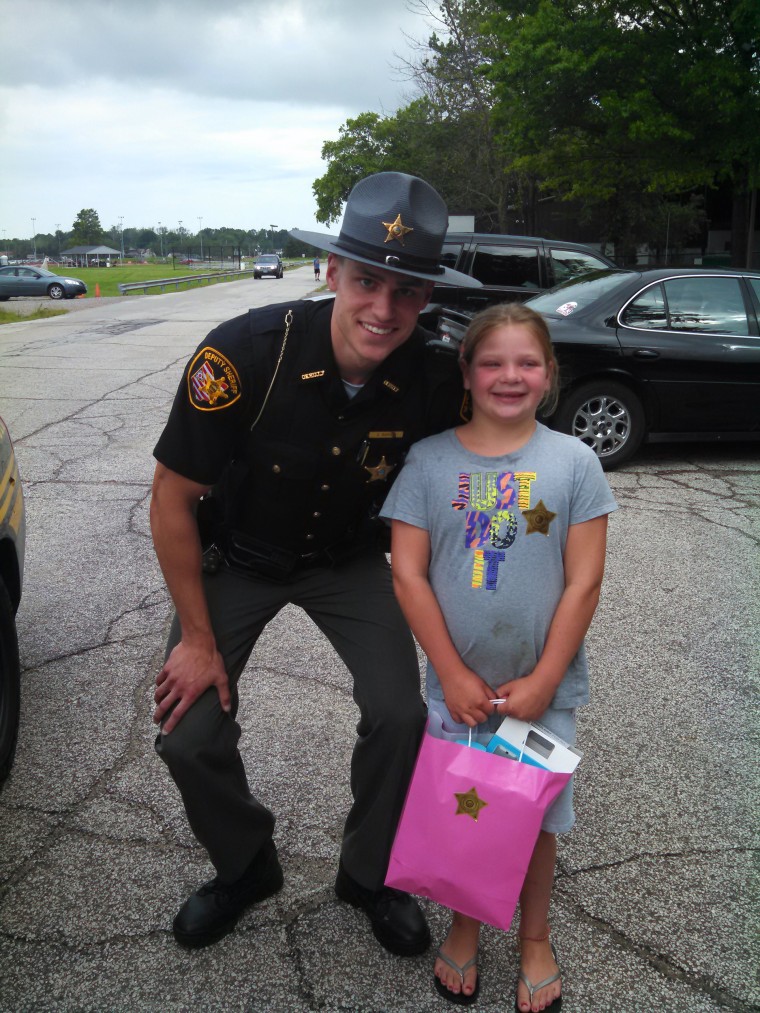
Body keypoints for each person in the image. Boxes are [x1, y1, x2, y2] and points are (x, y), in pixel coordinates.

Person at [149, 171, 482, 953]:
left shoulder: (432, 376)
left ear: (427, 297)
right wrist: (196, 639)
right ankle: (245, 864)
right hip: (238, 555)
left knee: (402, 714)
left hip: (349, 558)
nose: (383, 308)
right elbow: (171, 496)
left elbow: (494, 454)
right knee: (185, 735)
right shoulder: (242, 354)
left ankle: (370, 874)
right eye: (367, 280)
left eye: (407, 291)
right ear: (332, 272)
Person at [381, 303, 617, 1011]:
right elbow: (407, 572)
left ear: (549, 374)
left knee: (536, 817)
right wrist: (450, 672)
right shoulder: (428, 460)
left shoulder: (575, 461)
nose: (509, 376)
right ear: (466, 370)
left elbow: (585, 579)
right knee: (467, 809)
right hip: (458, 690)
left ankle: (535, 935)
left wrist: (547, 677)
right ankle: (466, 921)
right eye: (492, 361)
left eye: (527, 362)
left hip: (543, 690)